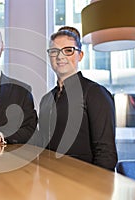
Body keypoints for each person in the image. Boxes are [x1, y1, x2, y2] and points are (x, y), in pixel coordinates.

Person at [38, 26, 118, 170]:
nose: (60, 57)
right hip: (52, 183)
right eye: (54, 51)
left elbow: (106, 154)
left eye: (68, 50)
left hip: (84, 185)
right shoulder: (46, 100)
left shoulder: (95, 93)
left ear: (80, 55)